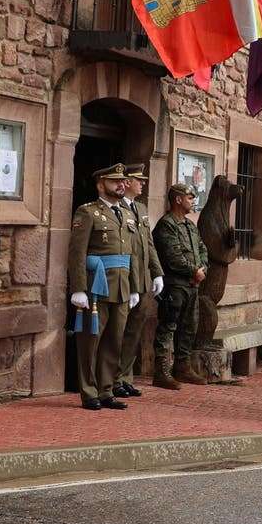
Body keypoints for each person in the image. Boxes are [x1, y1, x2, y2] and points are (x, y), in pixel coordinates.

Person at [68, 163, 139, 411]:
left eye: (123, 181)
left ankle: (106, 390)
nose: (121, 185)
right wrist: (78, 288)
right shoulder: (88, 212)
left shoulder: (127, 214)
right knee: (91, 341)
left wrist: (134, 287)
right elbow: (77, 252)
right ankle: (88, 392)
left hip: (121, 285)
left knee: (114, 341)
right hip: (96, 286)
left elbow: (133, 255)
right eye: (114, 181)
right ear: (101, 184)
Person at [151, 182, 209, 389]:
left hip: (192, 285)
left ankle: (183, 368)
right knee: (168, 327)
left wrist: (201, 270)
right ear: (178, 199)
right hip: (175, 285)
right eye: (190, 198)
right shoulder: (167, 224)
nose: (193, 201)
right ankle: (162, 371)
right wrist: (193, 270)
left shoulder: (190, 225)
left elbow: (203, 250)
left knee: (189, 327)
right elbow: (172, 256)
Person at [115, 163, 164, 398]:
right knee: (119, 330)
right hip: (125, 277)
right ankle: (112, 377)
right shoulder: (117, 208)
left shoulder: (141, 208)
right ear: (126, 183)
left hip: (142, 278)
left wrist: (157, 272)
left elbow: (149, 244)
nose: (142, 183)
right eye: (138, 180)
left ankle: (125, 376)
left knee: (135, 330)